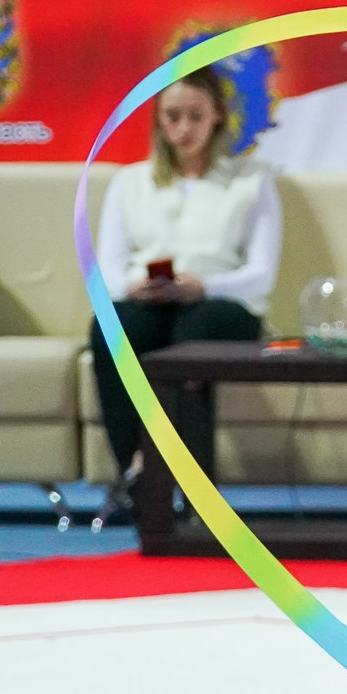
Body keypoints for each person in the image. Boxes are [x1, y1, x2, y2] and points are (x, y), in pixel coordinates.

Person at [91, 67, 283, 517]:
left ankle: (195, 487)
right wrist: (135, 288)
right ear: (158, 120)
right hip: (148, 301)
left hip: (222, 303)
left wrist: (204, 286)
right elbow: (109, 273)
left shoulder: (252, 180)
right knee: (115, 325)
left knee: (197, 329)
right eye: (172, 116)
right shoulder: (130, 182)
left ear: (217, 116)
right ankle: (137, 472)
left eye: (194, 116)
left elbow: (261, 275)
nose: (183, 129)